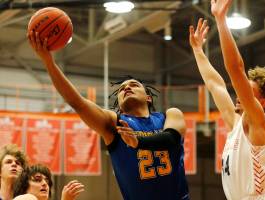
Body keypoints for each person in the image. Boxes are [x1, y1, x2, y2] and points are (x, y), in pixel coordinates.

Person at [27, 30, 189, 200]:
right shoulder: (115, 123)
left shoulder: (170, 115)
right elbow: (77, 103)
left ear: (148, 97)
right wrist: (49, 62)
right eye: (121, 89)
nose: (126, 88)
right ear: (119, 104)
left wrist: (137, 141)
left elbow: (172, 139)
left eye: (133, 85)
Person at [190, 1, 265, 199]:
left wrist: (221, 20)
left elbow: (235, 69)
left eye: (247, 91)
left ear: (263, 102)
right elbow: (215, 85)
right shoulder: (236, 124)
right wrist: (198, 51)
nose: (239, 95)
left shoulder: (258, 122)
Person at [13, 164, 84, 200]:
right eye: (37, 180)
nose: (45, 184)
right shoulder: (26, 198)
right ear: (24, 185)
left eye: (47, 181)